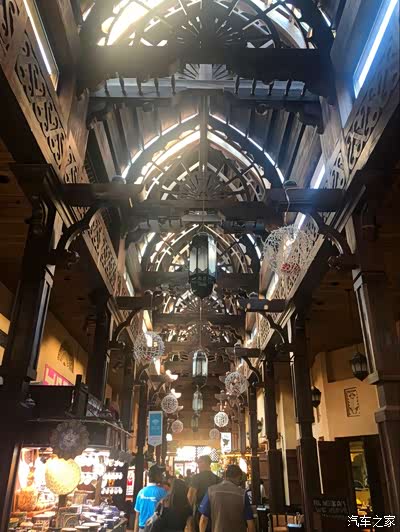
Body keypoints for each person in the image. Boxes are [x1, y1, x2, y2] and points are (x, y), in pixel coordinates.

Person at [198, 464, 256, 532]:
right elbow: (250, 523)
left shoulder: (211, 491)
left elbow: (203, 520)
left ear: (225, 476)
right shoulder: (242, 494)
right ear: (238, 477)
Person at [188, 455, 220, 532]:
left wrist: (190, 511)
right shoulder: (217, 478)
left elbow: (190, 495)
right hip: (214, 512)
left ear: (205, 463)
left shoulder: (196, 477)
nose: (198, 465)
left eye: (199, 462)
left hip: (200, 511)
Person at [134, 465, 168, 531]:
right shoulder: (162, 492)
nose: (162, 476)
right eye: (161, 474)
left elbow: (137, 517)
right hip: (155, 529)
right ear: (157, 476)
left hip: (142, 529)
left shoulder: (141, 492)